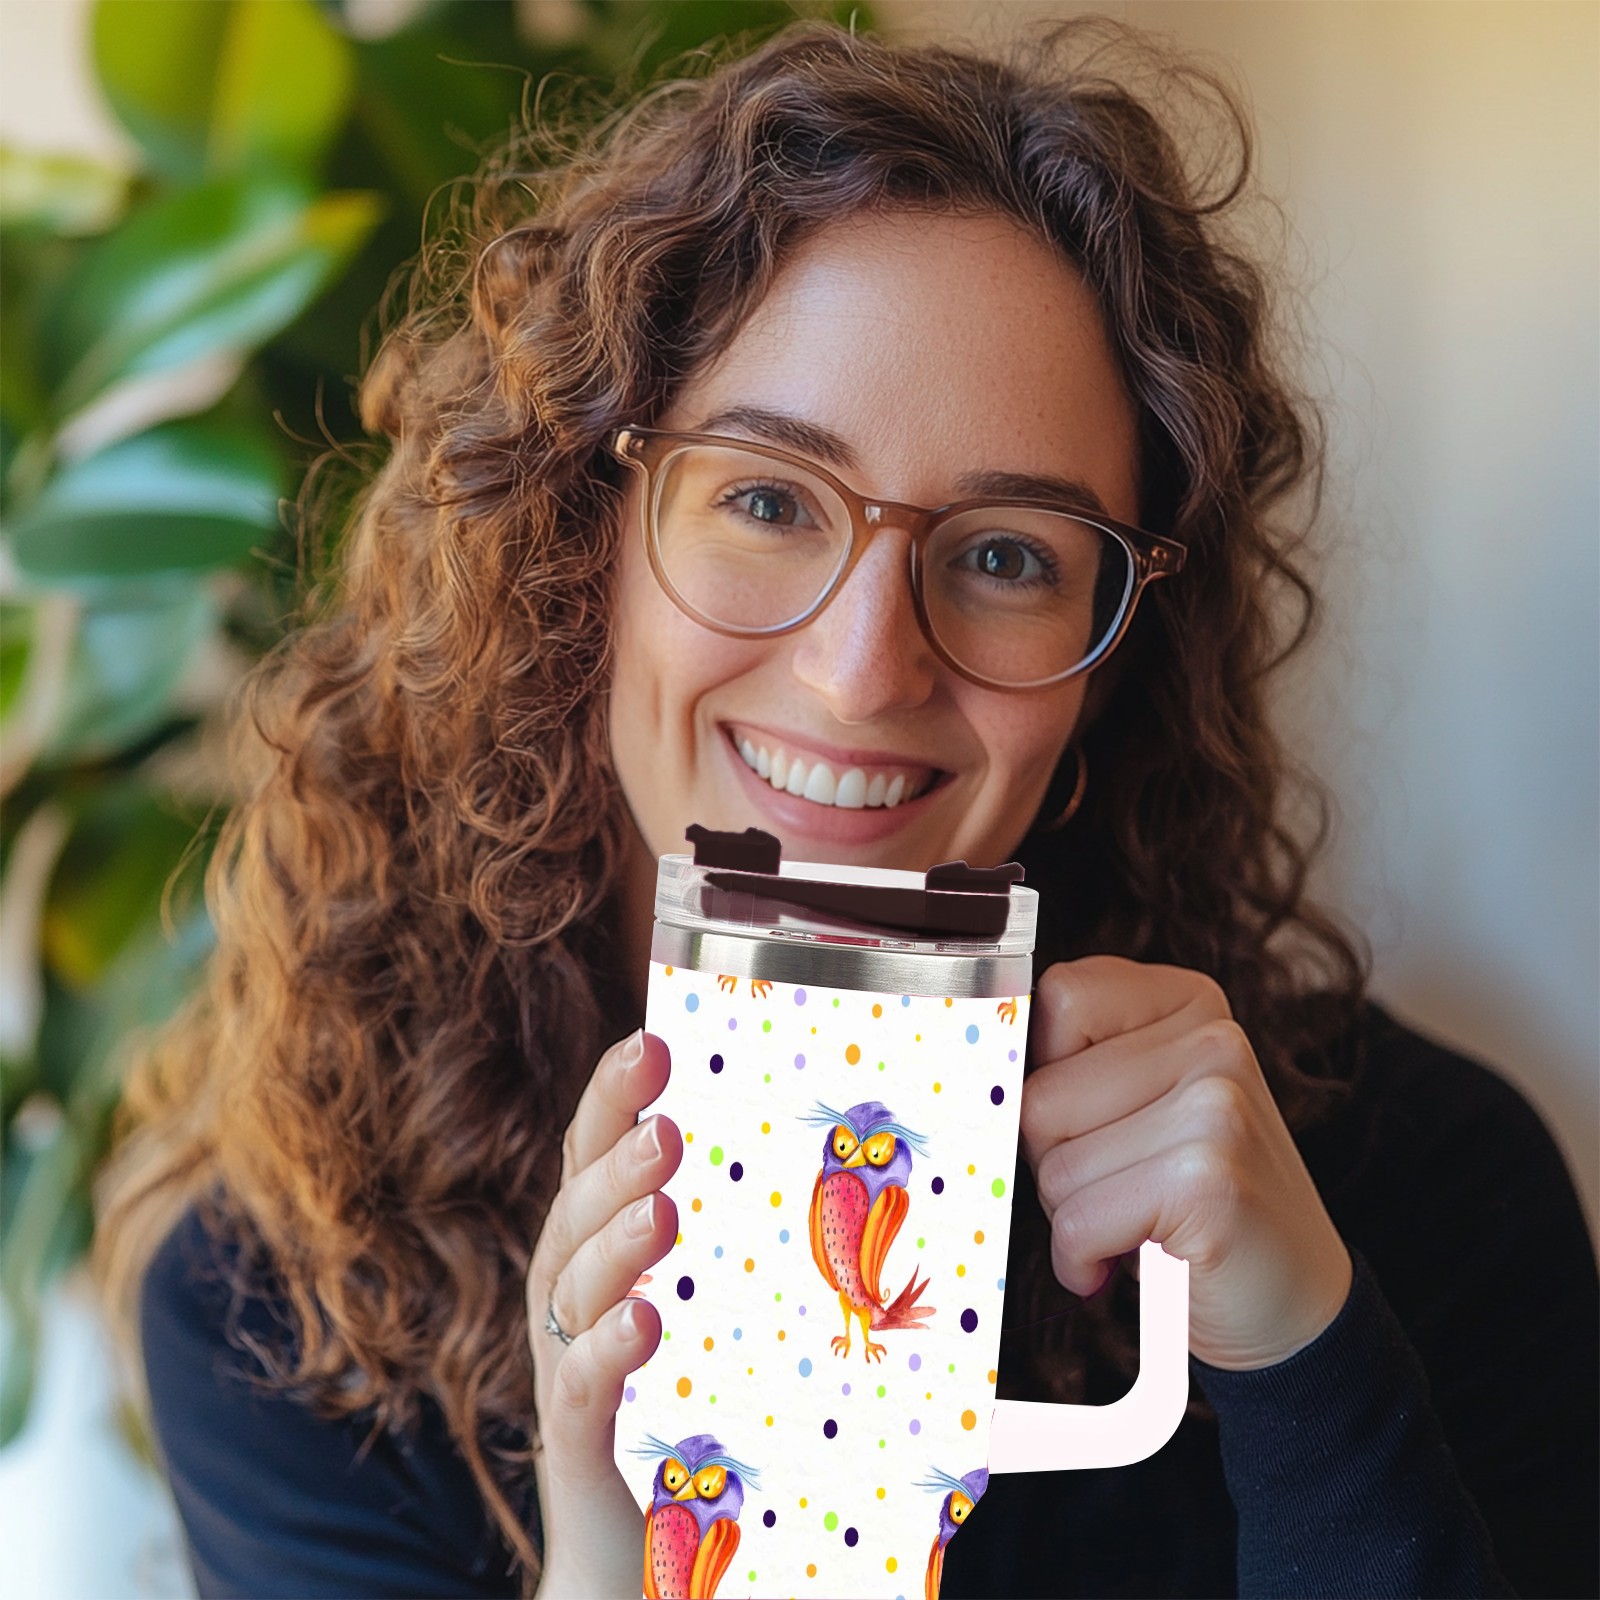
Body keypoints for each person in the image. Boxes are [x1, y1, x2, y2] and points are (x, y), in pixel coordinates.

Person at [95, 17, 1597, 1600]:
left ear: (1113, 663)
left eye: (1007, 554)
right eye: (765, 499)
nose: (864, 671)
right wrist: (611, 1558)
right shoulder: (291, 1301)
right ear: (580, 547)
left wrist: (1305, 1367)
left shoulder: (1420, 1194)